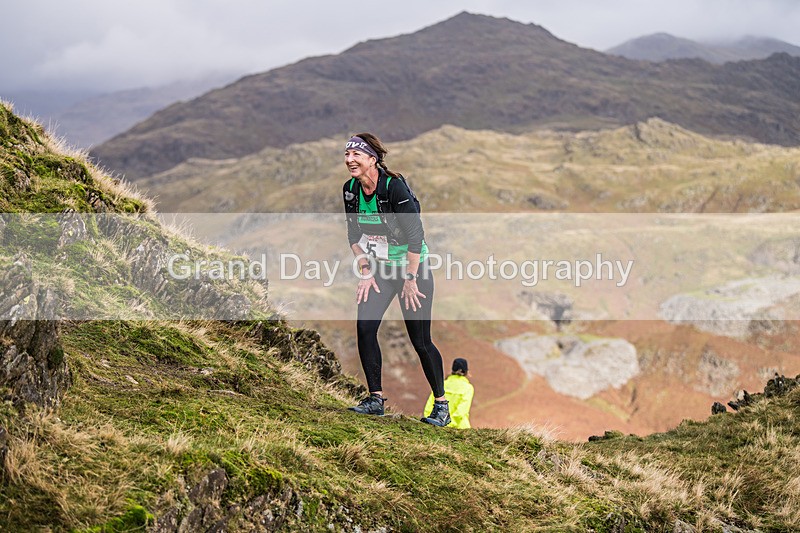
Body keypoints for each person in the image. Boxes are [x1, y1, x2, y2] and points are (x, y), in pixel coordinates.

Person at [342, 132, 450, 427]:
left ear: (372, 160)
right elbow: (354, 236)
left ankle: (441, 406)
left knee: (420, 340)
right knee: (365, 328)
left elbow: (416, 236)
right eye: (347, 156)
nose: (350, 160)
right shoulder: (350, 190)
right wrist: (365, 271)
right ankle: (375, 399)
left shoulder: (394, 187)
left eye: (356, 155)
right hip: (380, 269)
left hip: (413, 269)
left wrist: (411, 279)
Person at [424, 358, 474, 429]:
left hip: (436, 426)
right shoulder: (468, 388)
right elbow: (462, 411)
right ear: (466, 372)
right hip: (460, 428)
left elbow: (429, 407)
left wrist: (431, 422)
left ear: (452, 370)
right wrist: (449, 424)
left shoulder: (441, 384)